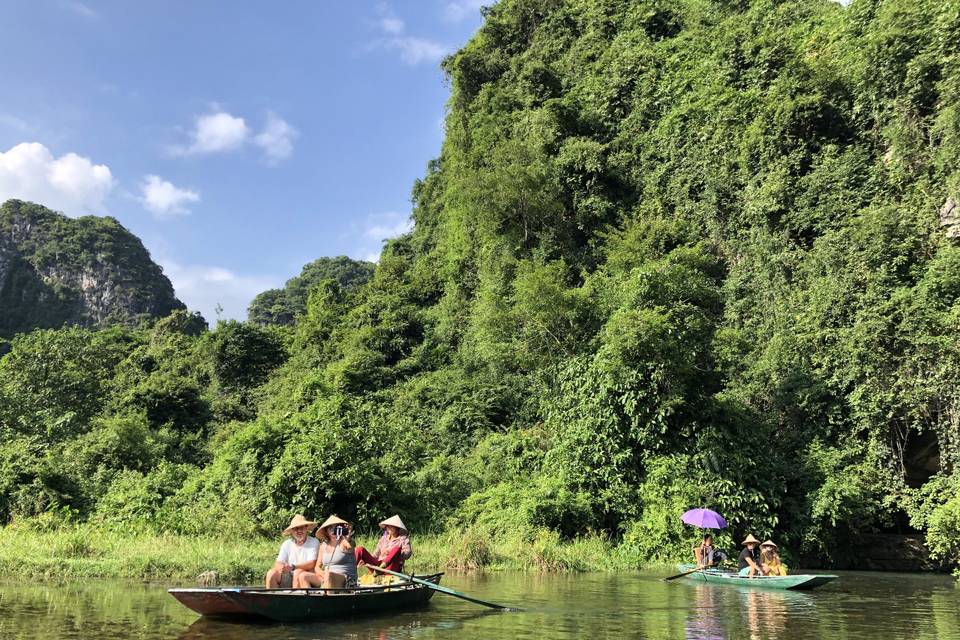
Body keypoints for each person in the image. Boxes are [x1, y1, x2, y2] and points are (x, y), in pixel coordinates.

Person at [295, 515, 359, 589]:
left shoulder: (344, 542)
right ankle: (310, 600)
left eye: (335, 528)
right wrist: (323, 574)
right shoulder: (324, 545)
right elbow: (317, 567)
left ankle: (327, 599)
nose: (332, 530)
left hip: (346, 579)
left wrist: (348, 538)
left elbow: (350, 546)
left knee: (329, 575)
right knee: (303, 576)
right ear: (326, 531)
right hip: (327, 577)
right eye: (330, 528)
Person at [265, 514, 320, 588]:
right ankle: (271, 598)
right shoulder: (287, 544)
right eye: (296, 528)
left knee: (298, 572)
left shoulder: (314, 542)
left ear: (306, 528)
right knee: (271, 573)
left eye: (301, 528)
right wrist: (282, 568)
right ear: (291, 531)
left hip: (306, 576)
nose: (299, 531)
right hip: (289, 575)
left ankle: (295, 598)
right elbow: (278, 563)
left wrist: (293, 567)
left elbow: (312, 563)